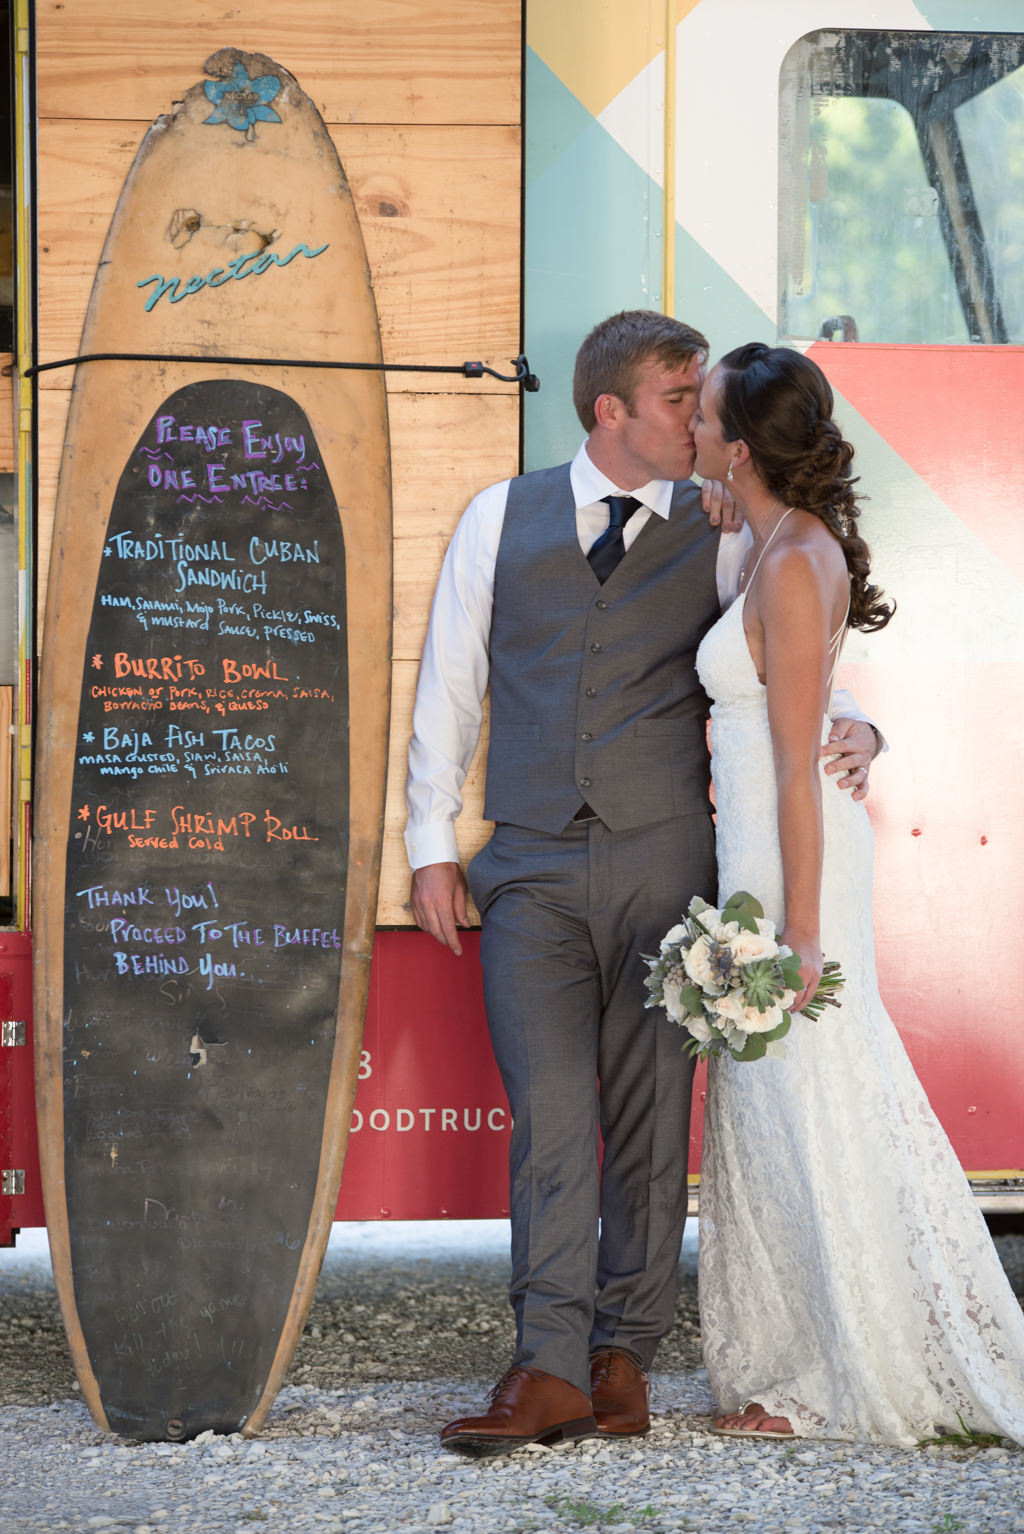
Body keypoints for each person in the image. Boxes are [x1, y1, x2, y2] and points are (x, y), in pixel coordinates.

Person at [405, 312, 880, 1459]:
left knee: (649, 1117)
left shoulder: (725, 533)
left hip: (670, 863)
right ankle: (547, 1363)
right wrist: (430, 841)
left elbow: (792, 659)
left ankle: (623, 1363)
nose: (697, 418)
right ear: (610, 409)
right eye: (679, 396)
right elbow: (449, 684)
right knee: (552, 1120)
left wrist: (860, 721)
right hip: (527, 864)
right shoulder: (495, 518)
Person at [691, 341, 1024, 1445]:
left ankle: (842, 1375)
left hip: (793, 867)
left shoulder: (792, 558)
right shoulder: (767, 537)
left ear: (739, 446)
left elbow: (794, 762)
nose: (688, 426)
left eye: (700, 416)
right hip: (762, 850)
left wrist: (796, 929)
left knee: (811, 1100)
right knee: (778, 1106)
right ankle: (803, 1352)